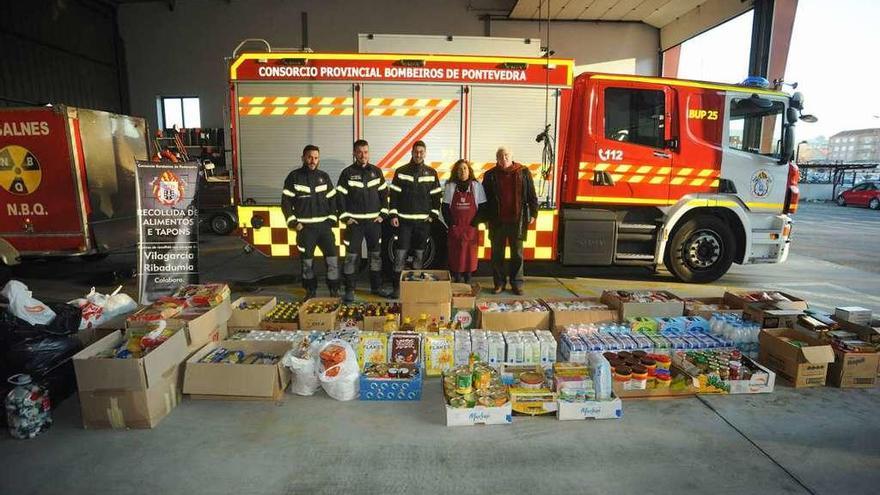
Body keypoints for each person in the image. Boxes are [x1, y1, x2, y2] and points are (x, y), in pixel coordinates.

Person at [281, 144, 340, 300]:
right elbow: (286, 202)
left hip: (324, 228)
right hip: (305, 229)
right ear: (303, 158)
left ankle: (334, 290)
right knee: (307, 263)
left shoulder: (324, 177)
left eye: (315, 157)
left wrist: (332, 219)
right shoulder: (294, 177)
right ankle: (310, 291)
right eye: (309, 157)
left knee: (332, 260)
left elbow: (333, 200)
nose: (312, 160)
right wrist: (294, 223)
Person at [336, 139, 392, 302]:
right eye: (359, 152)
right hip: (355, 224)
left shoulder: (376, 172)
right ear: (354, 153)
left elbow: (384, 195)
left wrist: (383, 214)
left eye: (366, 152)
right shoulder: (346, 173)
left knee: (376, 256)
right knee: (351, 258)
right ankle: (349, 289)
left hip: (374, 224)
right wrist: (346, 217)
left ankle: (376, 287)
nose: (363, 155)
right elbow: (340, 197)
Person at [388, 140, 442, 298]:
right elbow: (394, 195)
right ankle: (397, 288)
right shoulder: (401, 171)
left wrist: (433, 215)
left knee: (419, 256)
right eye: (416, 152)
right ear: (411, 153)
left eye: (421, 152)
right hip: (404, 222)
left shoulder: (431, 173)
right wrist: (393, 214)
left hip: (423, 223)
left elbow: (436, 195)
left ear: (425, 153)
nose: (418, 154)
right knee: (400, 255)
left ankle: (416, 289)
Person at [481, 146, 537, 295]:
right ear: (497, 159)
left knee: (517, 254)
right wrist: (485, 218)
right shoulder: (490, 175)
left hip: (517, 221)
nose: (503, 158)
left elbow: (531, 194)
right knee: (497, 254)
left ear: (511, 156)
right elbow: (483, 200)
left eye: (506, 155)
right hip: (496, 221)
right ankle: (499, 283)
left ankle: (517, 284)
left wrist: (534, 213)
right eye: (500, 156)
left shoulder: (523, 172)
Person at [442, 159, 486, 283]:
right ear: (456, 172)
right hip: (455, 229)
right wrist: (452, 224)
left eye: (465, 168)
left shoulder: (476, 186)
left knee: (470, 256)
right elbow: (445, 208)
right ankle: (457, 279)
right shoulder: (450, 187)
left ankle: (468, 279)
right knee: (455, 255)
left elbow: (482, 208)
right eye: (459, 169)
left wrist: (474, 224)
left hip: (471, 229)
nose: (462, 171)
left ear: (469, 170)